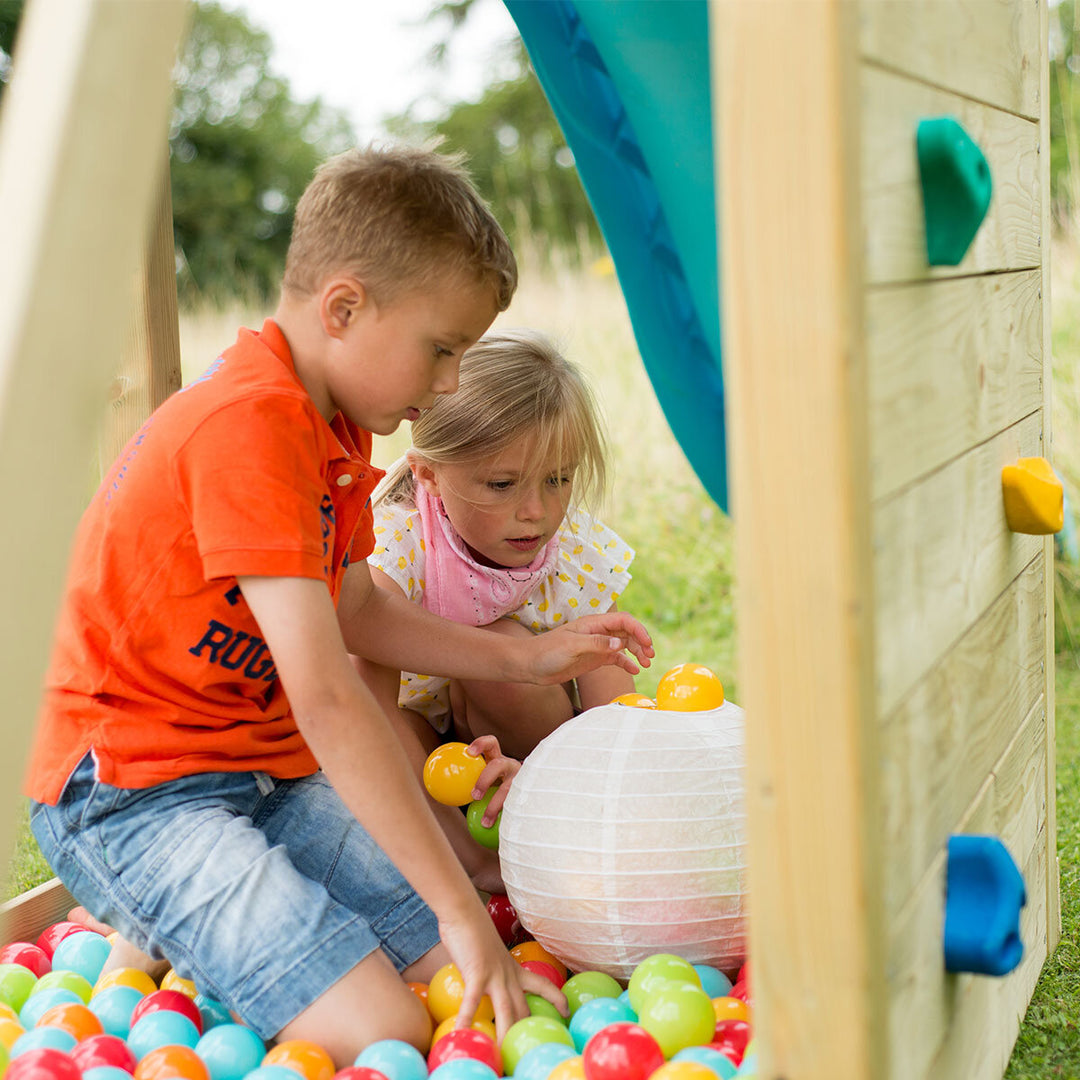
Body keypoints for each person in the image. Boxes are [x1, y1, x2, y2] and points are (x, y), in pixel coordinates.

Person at [24, 143, 653, 1067]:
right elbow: (327, 692)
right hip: (134, 793)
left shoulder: (335, 428)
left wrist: (528, 657)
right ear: (345, 307)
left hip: (262, 782)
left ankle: (202, 930)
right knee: (387, 1029)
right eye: (443, 350)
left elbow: (359, 606)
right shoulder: (249, 427)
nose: (448, 382)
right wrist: (455, 906)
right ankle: (173, 921)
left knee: (460, 974)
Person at [359, 329, 637, 772]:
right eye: (502, 485)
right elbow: (362, 703)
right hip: (420, 746)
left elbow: (618, 728)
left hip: (536, 751)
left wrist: (544, 780)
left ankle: (533, 806)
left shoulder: (571, 553)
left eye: (558, 479)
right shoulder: (393, 545)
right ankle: (459, 836)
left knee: (503, 649)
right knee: (379, 719)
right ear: (428, 474)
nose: (536, 512)